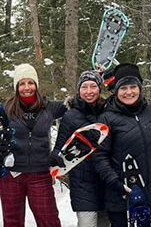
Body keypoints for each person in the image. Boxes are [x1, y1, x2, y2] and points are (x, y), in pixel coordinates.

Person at [91, 63, 151, 227]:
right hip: (122, 195)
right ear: (116, 91)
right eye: (123, 88)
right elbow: (99, 156)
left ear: (139, 88)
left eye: (133, 86)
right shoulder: (107, 118)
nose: (129, 92)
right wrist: (115, 183)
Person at [0, 63, 67, 227]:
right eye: (22, 83)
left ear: (36, 84)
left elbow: (78, 105)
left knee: (49, 221)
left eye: (30, 82)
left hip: (40, 173)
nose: (26, 87)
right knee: (12, 222)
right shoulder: (5, 108)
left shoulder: (49, 107)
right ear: (16, 86)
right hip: (11, 174)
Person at [49, 70, 110, 227]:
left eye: (93, 86)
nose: (89, 92)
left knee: (105, 224)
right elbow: (60, 145)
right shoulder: (70, 116)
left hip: (107, 180)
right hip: (83, 182)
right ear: (78, 90)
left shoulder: (109, 111)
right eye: (84, 87)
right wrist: (55, 156)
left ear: (99, 89)